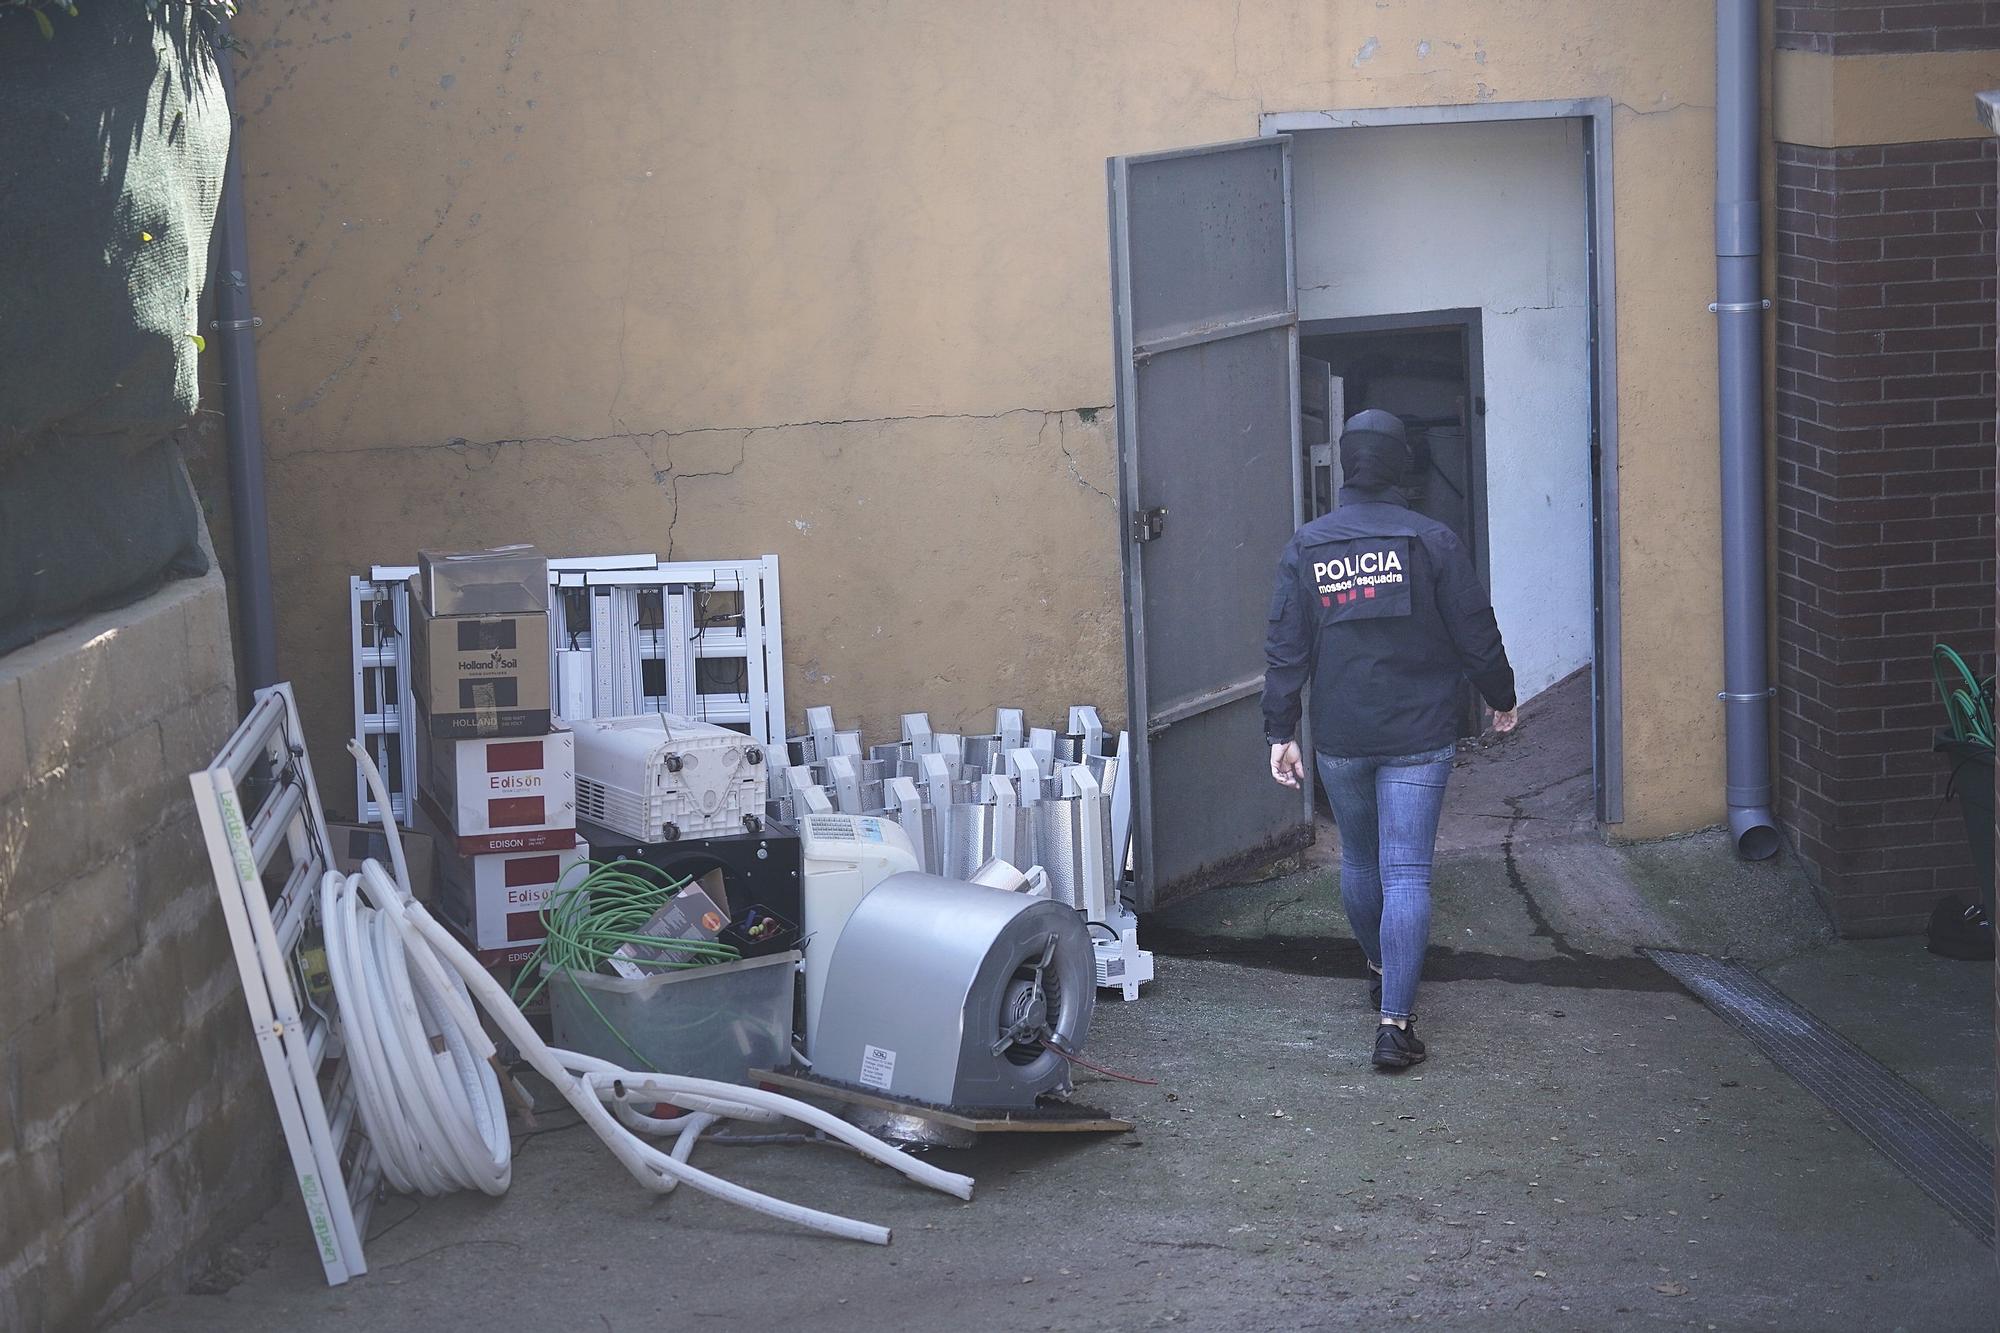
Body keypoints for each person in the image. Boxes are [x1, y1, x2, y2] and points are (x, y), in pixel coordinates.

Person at [1262, 408, 1519, 1072]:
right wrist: (1501, 693)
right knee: (1406, 871)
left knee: (1360, 861)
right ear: (1402, 464)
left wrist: (1280, 728)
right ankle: (1395, 1025)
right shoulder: (1432, 538)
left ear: (1347, 463)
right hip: (1417, 732)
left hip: (1343, 734)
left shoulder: (1309, 544)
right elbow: (1474, 625)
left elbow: (1286, 645)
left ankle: (1380, 967)